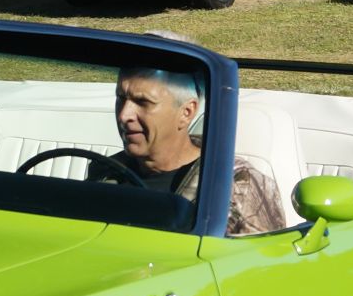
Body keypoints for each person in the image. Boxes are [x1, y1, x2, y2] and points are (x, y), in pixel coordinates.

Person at [114, 65, 285, 234]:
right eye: (121, 98)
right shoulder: (108, 171)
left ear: (186, 113)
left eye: (142, 102)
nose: (124, 115)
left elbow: (263, 251)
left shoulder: (236, 186)